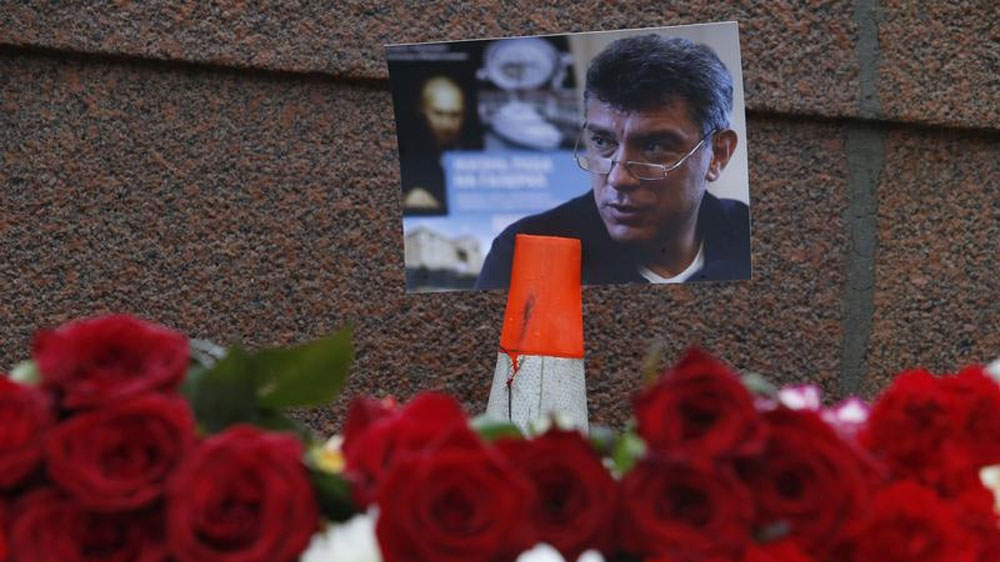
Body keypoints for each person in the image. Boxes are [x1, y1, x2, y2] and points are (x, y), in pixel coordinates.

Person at [476, 34, 750, 289]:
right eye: (602, 142)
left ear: (717, 155)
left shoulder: (750, 235)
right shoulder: (524, 254)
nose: (618, 179)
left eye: (653, 147)